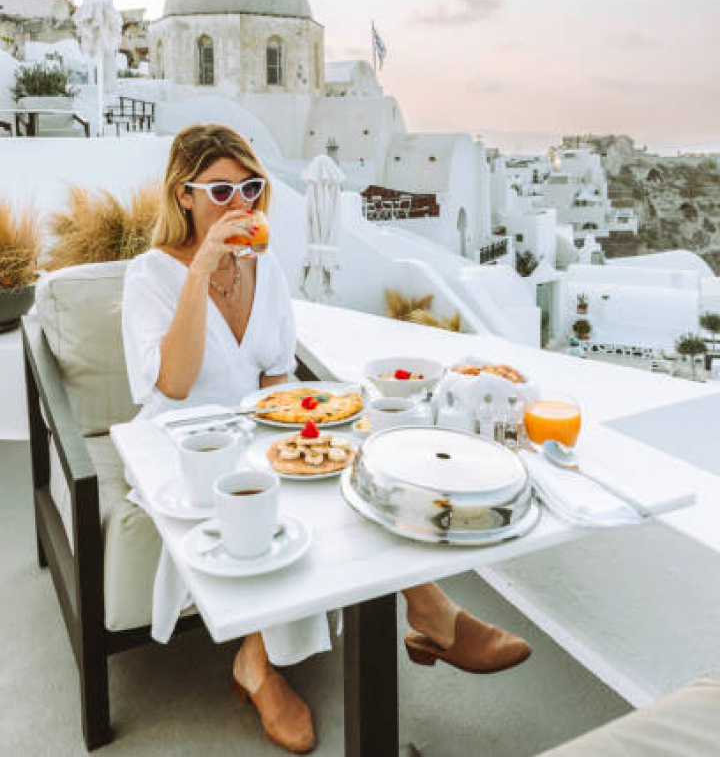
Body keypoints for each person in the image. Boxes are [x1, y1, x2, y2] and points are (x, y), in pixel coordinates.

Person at [122, 123, 531, 754]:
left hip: (253, 432)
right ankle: (270, 662)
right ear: (184, 195)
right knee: (299, 496)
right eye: (222, 192)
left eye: (251, 189)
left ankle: (422, 611)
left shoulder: (267, 268)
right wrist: (203, 266)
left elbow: (275, 380)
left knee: (351, 471)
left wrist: (301, 431)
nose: (241, 205)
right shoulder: (149, 277)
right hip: (185, 449)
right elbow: (172, 385)